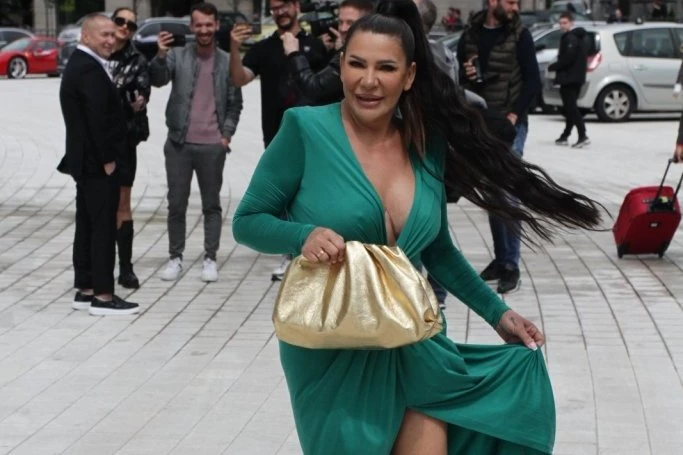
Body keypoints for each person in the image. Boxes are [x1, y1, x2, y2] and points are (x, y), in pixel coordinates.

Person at [233, 0, 602, 452]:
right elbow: (247, 221)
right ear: (341, 66)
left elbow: (438, 250)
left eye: (386, 68)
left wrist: (498, 313)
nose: (369, 81)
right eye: (357, 64)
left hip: (414, 338)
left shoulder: (426, 145)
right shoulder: (304, 130)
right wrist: (301, 235)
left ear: (408, 76)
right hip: (334, 348)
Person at [229, 0, 330, 281]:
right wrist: (235, 48)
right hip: (276, 136)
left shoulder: (315, 45)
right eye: (274, 7)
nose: (280, 11)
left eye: (284, 5)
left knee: (311, 196)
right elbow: (239, 79)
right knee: (283, 199)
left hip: (314, 136)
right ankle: (290, 254)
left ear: (296, 6)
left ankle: (316, 251)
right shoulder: (264, 48)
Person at [149, 2, 243, 283]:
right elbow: (157, 80)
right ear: (191, 26)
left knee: (211, 205)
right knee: (176, 204)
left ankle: (210, 258)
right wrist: (160, 55)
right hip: (179, 143)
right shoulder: (178, 55)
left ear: (216, 26)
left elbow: (235, 104)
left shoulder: (227, 61)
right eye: (198, 24)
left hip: (212, 146)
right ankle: (175, 257)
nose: (203, 30)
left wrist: (225, 136)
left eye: (208, 24)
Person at [456, 0, 541, 294]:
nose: (515, 7)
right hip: (483, 122)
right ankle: (501, 258)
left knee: (508, 192)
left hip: (511, 123)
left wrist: (515, 114)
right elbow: (458, 80)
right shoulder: (470, 34)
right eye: (510, 1)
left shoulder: (520, 35)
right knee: (492, 193)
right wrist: (468, 74)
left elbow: (533, 81)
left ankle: (512, 263)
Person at [58, 13, 139, 316]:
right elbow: (97, 119)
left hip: (86, 162)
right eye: (103, 34)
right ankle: (103, 296)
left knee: (87, 224)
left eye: (112, 34)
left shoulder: (82, 64)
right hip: (97, 164)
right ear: (86, 36)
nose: (110, 40)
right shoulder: (88, 68)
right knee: (102, 227)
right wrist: (108, 160)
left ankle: (86, 289)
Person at [107, 7, 151, 290]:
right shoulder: (98, 53)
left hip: (123, 140)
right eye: (120, 21)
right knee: (98, 204)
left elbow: (142, 93)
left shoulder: (137, 59)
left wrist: (138, 101)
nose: (125, 26)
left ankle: (125, 268)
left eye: (131, 24)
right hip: (96, 140)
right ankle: (96, 265)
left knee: (123, 204)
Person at [282, 0, 375, 105]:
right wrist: (335, 51)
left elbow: (315, 89)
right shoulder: (355, 49)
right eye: (340, 22)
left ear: (367, 25)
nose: (343, 28)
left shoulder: (354, 56)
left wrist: (294, 54)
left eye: (350, 23)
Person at [549, 12, 589, 149]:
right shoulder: (577, 38)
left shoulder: (570, 38)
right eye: (560, 23)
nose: (562, 25)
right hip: (575, 78)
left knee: (571, 108)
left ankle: (583, 135)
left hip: (569, 79)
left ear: (571, 23)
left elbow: (567, 59)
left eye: (565, 23)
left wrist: (553, 66)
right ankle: (565, 135)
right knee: (570, 108)